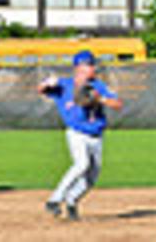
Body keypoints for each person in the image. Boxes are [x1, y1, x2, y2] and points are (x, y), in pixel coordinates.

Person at [38, 50, 123, 220]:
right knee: (81, 164)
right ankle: (54, 200)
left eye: (93, 65)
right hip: (76, 133)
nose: (93, 68)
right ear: (79, 67)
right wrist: (47, 83)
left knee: (91, 179)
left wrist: (101, 99)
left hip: (96, 136)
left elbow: (118, 104)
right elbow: (41, 89)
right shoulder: (64, 85)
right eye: (90, 65)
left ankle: (71, 200)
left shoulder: (98, 86)